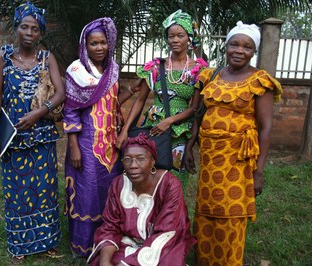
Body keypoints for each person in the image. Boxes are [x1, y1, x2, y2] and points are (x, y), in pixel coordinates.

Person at [184, 21, 283, 265]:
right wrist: (189, 147)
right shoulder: (211, 76)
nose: (240, 50)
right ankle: (205, 260)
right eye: (234, 44)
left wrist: (259, 172)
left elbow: (266, 127)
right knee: (207, 210)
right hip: (210, 159)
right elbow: (199, 113)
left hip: (238, 159)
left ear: (254, 52)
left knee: (231, 212)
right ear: (226, 46)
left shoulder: (260, 81)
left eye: (247, 47)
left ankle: (229, 260)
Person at [0, 2, 65, 261]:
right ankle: (19, 244)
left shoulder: (47, 58)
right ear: (16, 29)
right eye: (24, 27)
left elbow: (61, 92)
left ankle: (47, 241)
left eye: (34, 29)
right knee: (17, 191)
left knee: (45, 189)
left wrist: (39, 113)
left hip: (42, 136)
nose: (29, 33)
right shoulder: (3, 57)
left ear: (40, 33)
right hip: (14, 139)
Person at [63, 17, 138, 258]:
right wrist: (73, 146)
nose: (99, 48)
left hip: (110, 146)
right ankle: (83, 247)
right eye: (93, 43)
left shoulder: (113, 70)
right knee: (86, 194)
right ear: (85, 45)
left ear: (109, 43)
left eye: (103, 43)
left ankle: (106, 243)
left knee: (108, 193)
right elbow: (71, 110)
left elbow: (111, 105)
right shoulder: (77, 71)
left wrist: (128, 93)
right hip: (85, 145)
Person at [116, 10, 207, 181]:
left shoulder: (198, 70)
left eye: (180, 35)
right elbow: (140, 100)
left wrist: (170, 121)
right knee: (148, 175)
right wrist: (125, 131)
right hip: (153, 127)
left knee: (175, 179)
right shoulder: (156, 67)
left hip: (179, 130)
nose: (175, 40)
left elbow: (194, 108)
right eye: (171, 36)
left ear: (189, 37)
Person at [87, 133, 196, 266]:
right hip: (127, 242)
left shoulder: (169, 185)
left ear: (152, 162)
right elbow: (110, 226)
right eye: (127, 159)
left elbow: (167, 231)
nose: (133, 165)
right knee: (103, 258)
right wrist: (105, 262)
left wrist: (127, 264)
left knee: (167, 261)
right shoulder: (118, 184)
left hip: (163, 244)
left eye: (140, 159)